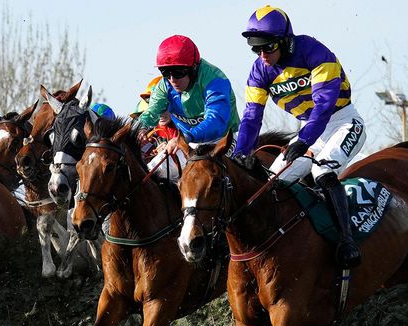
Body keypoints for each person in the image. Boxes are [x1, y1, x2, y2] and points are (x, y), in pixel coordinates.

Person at [233, 5, 367, 268]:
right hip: (310, 131)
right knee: (271, 183)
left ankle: (347, 242)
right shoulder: (259, 71)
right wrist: (240, 154)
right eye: (255, 48)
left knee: (323, 173)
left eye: (268, 47)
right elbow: (251, 117)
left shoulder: (314, 52)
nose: (262, 55)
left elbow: (324, 107)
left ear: (285, 41)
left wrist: (304, 141)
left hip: (343, 122)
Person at [135, 35, 240, 181]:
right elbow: (151, 113)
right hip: (189, 143)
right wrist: (138, 129)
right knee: (150, 174)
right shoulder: (164, 85)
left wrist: (182, 138)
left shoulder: (215, 80)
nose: (172, 80)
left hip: (223, 140)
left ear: (193, 67)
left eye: (178, 72)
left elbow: (216, 122)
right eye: (165, 73)